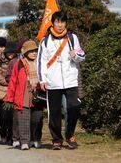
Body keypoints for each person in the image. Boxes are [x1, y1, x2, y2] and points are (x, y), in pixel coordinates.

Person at [37, 11, 85, 150]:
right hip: (53, 82)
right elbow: (41, 61)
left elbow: (82, 55)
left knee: (74, 107)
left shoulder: (72, 37)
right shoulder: (45, 40)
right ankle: (56, 139)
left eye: (62, 22)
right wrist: (42, 80)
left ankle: (70, 134)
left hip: (71, 80)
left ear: (65, 23)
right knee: (54, 112)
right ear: (53, 23)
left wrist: (75, 55)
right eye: (57, 22)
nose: (60, 25)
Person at [5, 40, 44, 150]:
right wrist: (10, 98)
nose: (34, 53)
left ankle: (36, 139)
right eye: (31, 51)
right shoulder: (19, 63)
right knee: (23, 120)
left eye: (35, 51)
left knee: (37, 119)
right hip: (23, 94)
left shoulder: (41, 63)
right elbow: (13, 81)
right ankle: (25, 141)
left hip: (38, 93)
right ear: (25, 52)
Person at [0, 41, 19, 145]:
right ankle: (3, 134)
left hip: (15, 92)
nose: (10, 55)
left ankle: (11, 137)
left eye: (13, 53)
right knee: (3, 116)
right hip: (2, 92)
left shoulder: (18, 60)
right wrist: (10, 83)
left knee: (12, 116)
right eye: (9, 53)